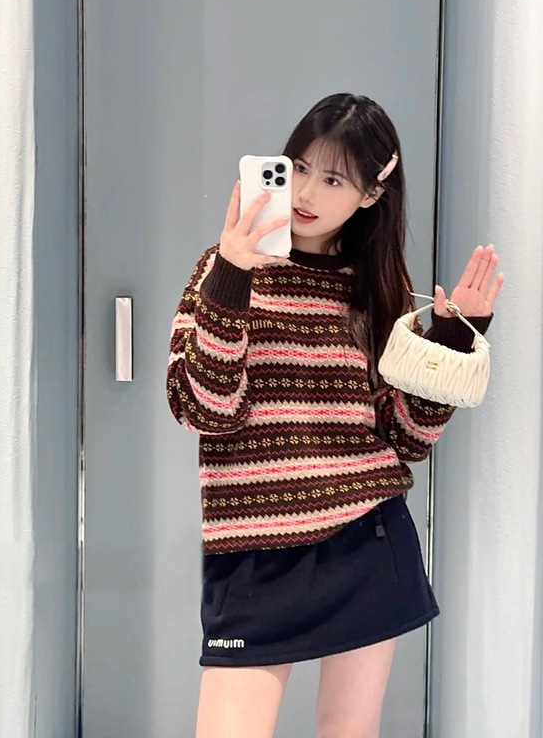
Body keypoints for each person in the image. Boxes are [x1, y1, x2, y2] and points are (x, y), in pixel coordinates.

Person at [166, 93, 504, 738]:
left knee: (348, 730)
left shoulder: (374, 289)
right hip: (254, 549)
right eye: (298, 167)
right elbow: (201, 409)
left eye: (333, 179)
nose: (305, 192)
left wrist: (450, 340)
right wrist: (233, 278)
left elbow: (405, 437)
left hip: (364, 538)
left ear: (372, 195)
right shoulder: (222, 268)